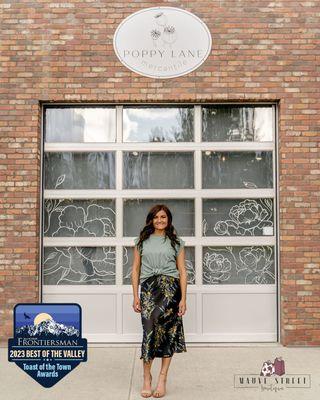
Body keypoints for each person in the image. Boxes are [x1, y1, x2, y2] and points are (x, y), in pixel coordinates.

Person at [131, 204, 187, 398]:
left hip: (171, 291)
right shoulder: (141, 241)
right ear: (151, 220)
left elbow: (182, 271)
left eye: (163, 217)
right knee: (149, 333)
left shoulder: (177, 242)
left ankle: (162, 379)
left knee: (168, 334)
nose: (160, 220)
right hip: (148, 290)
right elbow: (136, 270)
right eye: (156, 217)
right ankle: (147, 378)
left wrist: (183, 299)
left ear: (168, 219)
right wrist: (135, 296)